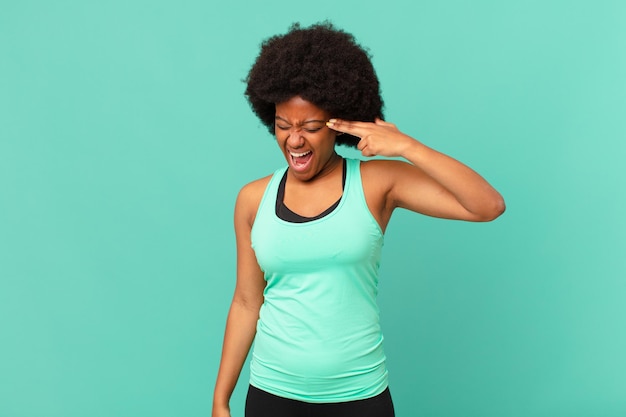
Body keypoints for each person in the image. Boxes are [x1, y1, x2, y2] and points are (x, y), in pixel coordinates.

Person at [212, 22, 505, 417]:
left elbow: (486, 205)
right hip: (271, 395)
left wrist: (406, 147)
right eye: (284, 126)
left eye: (310, 127)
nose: (294, 140)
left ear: (338, 124)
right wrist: (221, 400)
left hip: (360, 397)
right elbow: (247, 302)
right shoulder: (252, 199)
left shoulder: (376, 184)